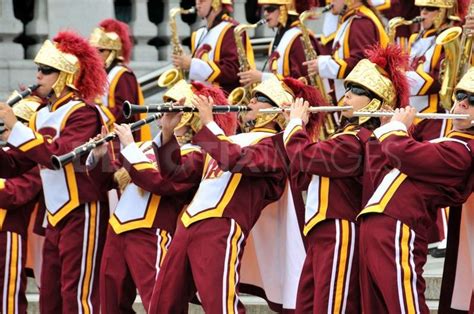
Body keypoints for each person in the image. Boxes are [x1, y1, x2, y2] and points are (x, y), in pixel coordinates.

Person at [284, 44, 410, 314]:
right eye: (347, 89)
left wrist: (295, 125)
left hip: (340, 230)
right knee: (307, 307)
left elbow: (304, 156)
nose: (346, 96)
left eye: (357, 92)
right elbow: (301, 177)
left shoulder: (357, 140)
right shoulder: (344, 137)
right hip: (321, 230)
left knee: (332, 308)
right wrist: (297, 125)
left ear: (375, 102)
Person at [148, 79, 292, 313]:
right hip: (188, 224)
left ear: (277, 111)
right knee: (163, 302)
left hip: (222, 225)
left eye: (260, 98)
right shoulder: (227, 140)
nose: (251, 101)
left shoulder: (276, 145)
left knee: (220, 305)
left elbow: (235, 160)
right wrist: (167, 133)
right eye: (252, 96)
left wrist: (208, 123)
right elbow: (175, 172)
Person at [0, 31, 108, 313]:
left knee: (77, 295)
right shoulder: (39, 115)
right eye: (38, 69)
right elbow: (15, 164)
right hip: (55, 216)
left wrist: (17, 128)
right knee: (50, 297)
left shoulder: (84, 112)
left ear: (66, 75)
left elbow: (58, 155)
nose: (37, 75)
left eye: (46, 70)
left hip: (81, 209)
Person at [357, 60, 474, 314]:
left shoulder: (464, 150)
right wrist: (386, 126)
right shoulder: (447, 142)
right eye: (460, 95)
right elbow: (384, 169)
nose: (462, 103)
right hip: (378, 223)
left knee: (404, 307)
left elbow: (404, 152)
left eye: (472, 100)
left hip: (399, 226)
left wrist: (397, 128)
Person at [88, 80, 205, 313]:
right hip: (118, 230)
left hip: (152, 231)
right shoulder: (144, 147)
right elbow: (107, 182)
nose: (165, 109)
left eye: (174, 105)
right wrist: (99, 155)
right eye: (166, 103)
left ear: (189, 115)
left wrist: (129, 146)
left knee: (160, 303)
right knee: (111, 305)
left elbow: (160, 183)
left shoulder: (196, 153)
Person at [0, 97, 42, 314]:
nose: (5, 132)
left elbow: (12, 194)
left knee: (8, 300)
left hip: (8, 234)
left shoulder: (35, 162)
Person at [305, 0, 388, 104]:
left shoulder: (360, 22)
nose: (330, 1)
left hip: (363, 106)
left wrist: (323, 65)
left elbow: (361, 65)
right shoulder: (352, 20)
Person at [89, 18, 151, 143]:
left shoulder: (123, 75)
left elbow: (126, 112)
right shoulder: (101, 74)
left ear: (114, 52)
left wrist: (92, 113)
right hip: (102, 138)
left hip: (121, 141)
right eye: (93, 50)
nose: (95, 55)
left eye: (100, 50)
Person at [171, 0, 250, 95]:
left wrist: (192, 65)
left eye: (202, 0)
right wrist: (184, 64)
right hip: (199, 100)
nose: (197, 2)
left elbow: (232, 70)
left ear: (216, 2)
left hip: (222, 103)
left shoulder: (231, 30)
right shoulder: (199, 33)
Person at [238, 0, 321, 85]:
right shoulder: (280, 36)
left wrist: (262, 77)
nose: (265, 13)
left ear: (284, 9)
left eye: (270, 9)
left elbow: (302, 82)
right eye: (264, 9)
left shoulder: (298, 38)